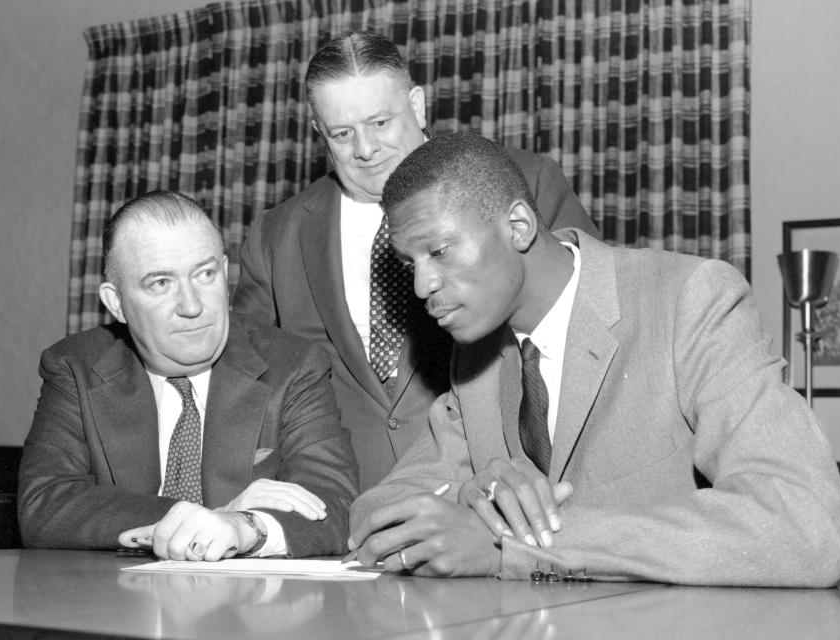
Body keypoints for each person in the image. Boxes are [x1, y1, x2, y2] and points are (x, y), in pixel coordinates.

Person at [346, 133, 840, 587]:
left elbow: (807, 528)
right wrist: (474, 503)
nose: (420, 286)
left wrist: (516, 543)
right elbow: (376, 512)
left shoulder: (688, 300)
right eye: (410, 264)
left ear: (518, 226)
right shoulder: (474, 360)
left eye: (438, 251)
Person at [233, 31, 599, 490]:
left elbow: (593, 333)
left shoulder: (521, 182)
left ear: (418, 105)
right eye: (342, 133)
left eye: (381, 122)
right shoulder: (277, 235)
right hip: (341, 505)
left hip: (495, 495)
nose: (364, 150)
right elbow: (249, 380)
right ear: (318, 132)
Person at [18, 190, 358, 561]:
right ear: (116, 303)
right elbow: (45, 505)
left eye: (205, 274)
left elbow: (333, 505)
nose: (193, 305)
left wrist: (245, 528)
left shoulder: (292, 365)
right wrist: (214, 518)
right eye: (161, 283)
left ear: (225, 274)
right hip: (117, 605)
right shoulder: (76, 367)